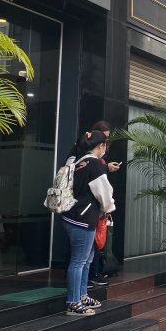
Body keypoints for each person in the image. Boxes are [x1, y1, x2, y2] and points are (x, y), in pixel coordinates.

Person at [62, 130, 116, 316]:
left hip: (72, 216)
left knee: (86, 260)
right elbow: (105, 193)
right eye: (105, 146)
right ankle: (73, 302)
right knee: (79, 261)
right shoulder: (94, 164)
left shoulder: (80, 161)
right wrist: (108, 209)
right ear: (101, 146)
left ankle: (82, 295)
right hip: (83, 220)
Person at [85, 120, 123, 287]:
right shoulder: (91, 161)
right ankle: (82, 288)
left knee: (87, 254)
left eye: (107, 140)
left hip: (86, 212)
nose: (105, 145)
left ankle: (85, 286)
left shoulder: (91, 161)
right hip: (87, 212)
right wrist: (107, 208)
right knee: (83, 257)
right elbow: (102, 189)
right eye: (104, 141)